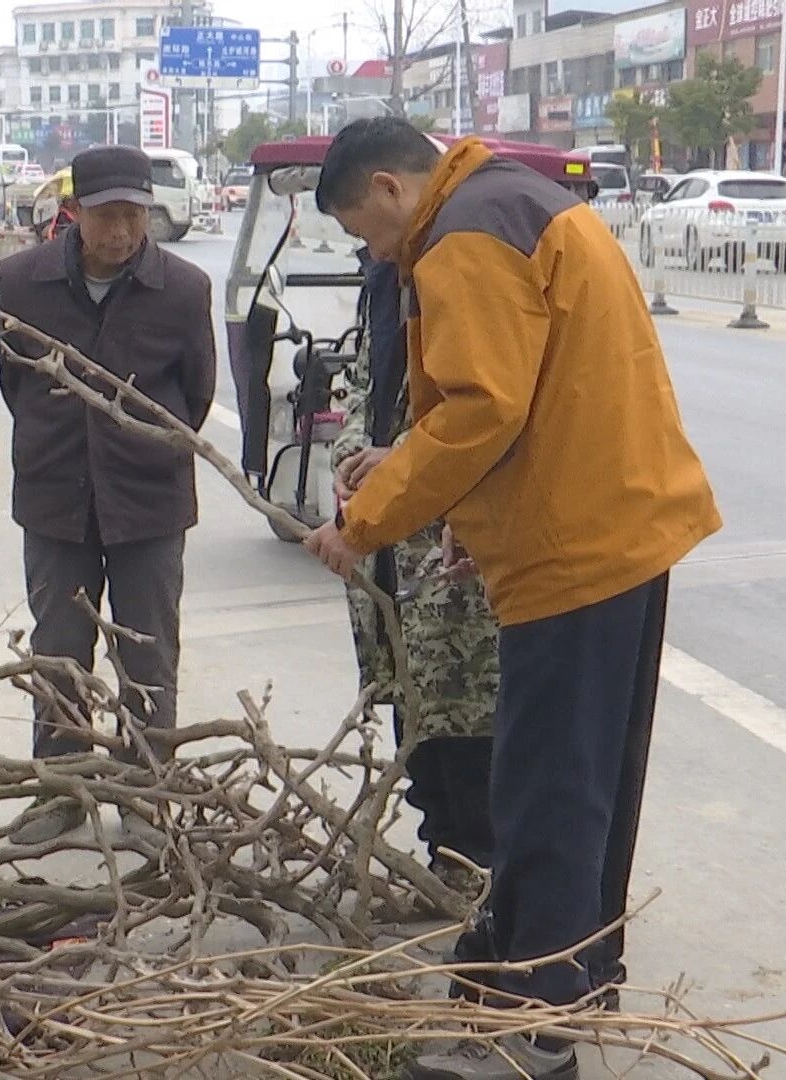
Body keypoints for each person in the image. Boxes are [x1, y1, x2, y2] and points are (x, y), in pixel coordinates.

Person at [303, 117, 721, 1080]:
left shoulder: (464, 236)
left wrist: (363, 522)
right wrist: (474, 518)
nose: (374, 251)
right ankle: (572, 970)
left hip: (575, 547)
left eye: (365, 230)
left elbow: (478, 409)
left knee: (546, 784)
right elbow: (539, 390)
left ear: (390, 187)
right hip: (621, 523)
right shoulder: (522, 202)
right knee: (590, 777)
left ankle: (535, 1029)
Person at [0, 144, 218, 845]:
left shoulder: (181, 289)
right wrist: (56, 437)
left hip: (147, 501)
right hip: (54, 494)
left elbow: (199, 392)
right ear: (74, 213)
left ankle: (145, 798)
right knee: (59, 648)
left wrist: (139, 447)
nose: (122, 231)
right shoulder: (21, 282)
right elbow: (15, 382)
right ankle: (61, 793)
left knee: (148, 652)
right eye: (106, 215)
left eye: (135, 214)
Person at [330, 246, 497, 893]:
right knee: (410, 698)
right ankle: (444, 857)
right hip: (388, 534)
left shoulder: (459, 276)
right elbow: (365, 386)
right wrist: (352, 452)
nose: (366, 247)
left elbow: (480, 406)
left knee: (466, 707)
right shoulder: (384, 284)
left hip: (451, 537)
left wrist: (396, 455)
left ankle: (478, 865)